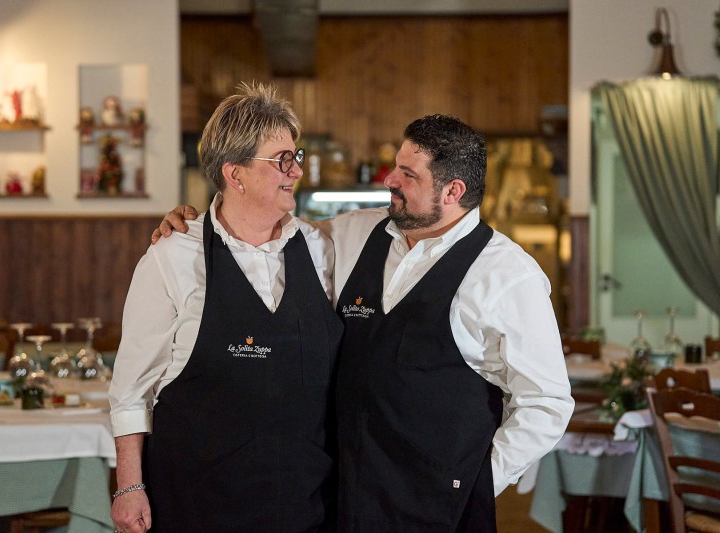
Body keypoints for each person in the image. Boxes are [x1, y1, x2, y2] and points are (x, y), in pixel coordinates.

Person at [155, 114, 574, 531]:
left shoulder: (508, 275)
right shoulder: (356, 233)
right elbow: (260, 231)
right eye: (396, 166)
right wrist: (195, 226)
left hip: (440, 513)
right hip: (345, 500)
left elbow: (547, 402)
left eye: (408, 174)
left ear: (453, 191)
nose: (390, 180)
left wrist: (478, 483)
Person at [109, 82, 342, 533]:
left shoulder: (323, 248)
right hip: (197, 503)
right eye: (282, 160)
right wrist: (128, 486)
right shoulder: (173, 256)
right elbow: (132, 389)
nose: (296, 171)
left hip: (302, 504)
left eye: (296, 156)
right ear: (235, 175)